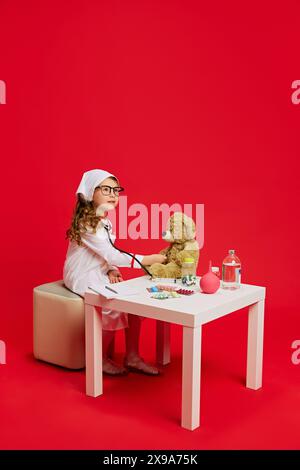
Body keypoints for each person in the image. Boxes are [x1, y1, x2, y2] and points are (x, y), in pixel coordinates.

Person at [63, 169, 167, 376]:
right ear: (91, 193)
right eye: (107, 189)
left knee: (135, 304)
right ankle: (99, 359)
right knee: (111, 306)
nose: (113, 195)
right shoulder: (86, 223)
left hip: (99, 270)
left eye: (116, 191)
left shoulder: (106, 222)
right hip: (82, 273)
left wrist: (112, 269)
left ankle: (133, 356)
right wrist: (147, 260)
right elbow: (109, 252)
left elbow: (107, 254)